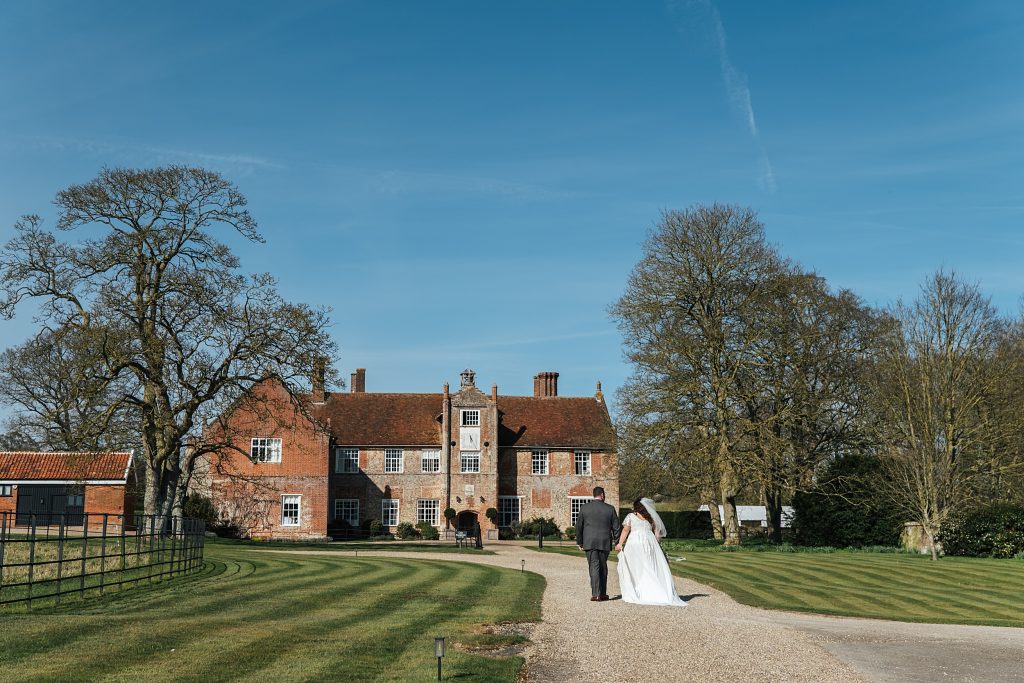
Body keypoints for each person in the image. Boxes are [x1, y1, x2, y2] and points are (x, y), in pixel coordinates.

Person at [615, 498, 687, 606]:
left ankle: (638, 589)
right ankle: (652, 589)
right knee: (650, 565)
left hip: (635, 543)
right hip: (649, 542)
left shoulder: (631, 516)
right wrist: (656, 544)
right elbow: (657, 534)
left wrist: (620, 543)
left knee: (636, 567)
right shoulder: (650, 518)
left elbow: (626, 530)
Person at [576, 486, 621, 601]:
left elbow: (579, 526)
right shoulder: (610, 509)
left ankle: (596, 594)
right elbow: (616, 527)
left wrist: (580, 542)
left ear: (594, 495)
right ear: (602, 495)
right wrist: (617, 542)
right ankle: (603, 593)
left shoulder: (585, 508)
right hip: (604, 541)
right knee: (602, 567)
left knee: (594, 567)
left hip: (589, 542)